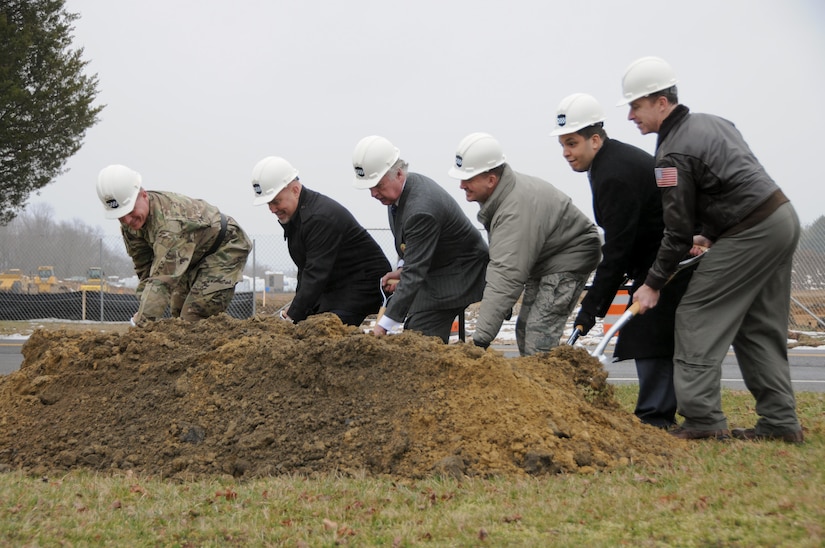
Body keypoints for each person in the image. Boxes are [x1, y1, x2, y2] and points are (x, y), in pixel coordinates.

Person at [618, 56, 803, 443]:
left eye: (636, 105)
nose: (631, 115)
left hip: (751, 232)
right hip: (780, 218)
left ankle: (703, 419)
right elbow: (731, 181)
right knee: (758, 327)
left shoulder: (670, 154)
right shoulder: (712, 123)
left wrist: (653, 283)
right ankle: (780, 423)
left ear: (661, 103)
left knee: (696, 313)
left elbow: (676, 230)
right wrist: (716, 232)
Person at [551, 93, 696, 428]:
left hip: (665, 258)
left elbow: (617, 249)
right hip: (652, 255)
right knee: (648, 333)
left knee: (651, 334)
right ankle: (655, 413)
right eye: (562, 145)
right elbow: (622, 246)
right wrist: (594, 308)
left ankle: (655, 418)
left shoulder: (613, 173)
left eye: (572, 143)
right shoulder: (608, 163)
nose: (566, 153)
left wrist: (591, 307)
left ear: (595, 139)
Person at [447, 132, 601, 356]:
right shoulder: (502, 198)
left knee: (538, 336)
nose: (462, 185)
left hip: (570, 257)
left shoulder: (514, 210)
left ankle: (547, 389)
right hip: (546, 259)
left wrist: (479, 341)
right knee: (524, 329)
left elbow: (506, 274)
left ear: (491, 180)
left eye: (468, 179)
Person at [351, 135, 488, 343]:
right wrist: (401, 269)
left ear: (397, 173)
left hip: (459, 275)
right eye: (369, 187)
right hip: (438, 267)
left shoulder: (420, 209)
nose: (373, 193)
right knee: (412, 319)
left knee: (418, 337)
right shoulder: (399, 195)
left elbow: (415, 273)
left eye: (377, 185)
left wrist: (382, 326)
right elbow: (413, 253)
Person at [96, 164, 252, 325]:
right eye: (121, 216)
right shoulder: (132, 226)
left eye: (130, 211)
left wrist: (143, 322)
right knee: (177, 315)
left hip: (225, 246)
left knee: (194, 316)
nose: (127, 220)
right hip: (193, 255)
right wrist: (145, 307)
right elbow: (145, 270)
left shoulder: (170, 225)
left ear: (143, 195)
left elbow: (162, 280)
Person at [250, 156, 391, 326]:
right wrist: (296, 309)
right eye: (268, 203)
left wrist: (293, 315)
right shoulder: (296, 217)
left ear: (295, 190)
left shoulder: (319, 218)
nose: (272, 209)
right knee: (306, 325)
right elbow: (305, 269)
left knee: (324, 331)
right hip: (334, 285)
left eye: (276, 201)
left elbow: (315, 273)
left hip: (361, 285)